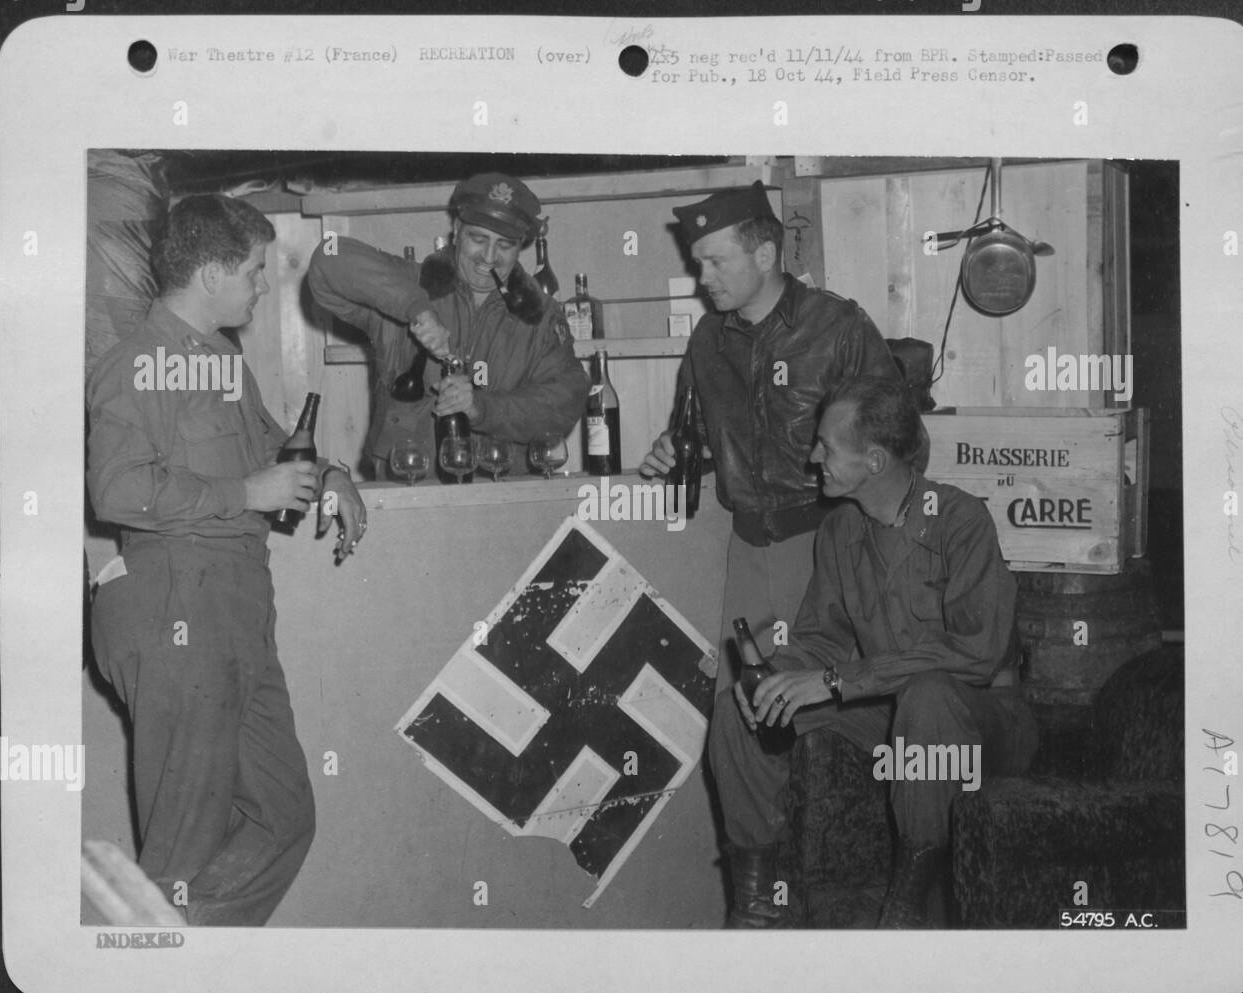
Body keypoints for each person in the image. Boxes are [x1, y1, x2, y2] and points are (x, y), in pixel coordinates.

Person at [86, 194, 367, 925]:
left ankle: (177, 953)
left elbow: (273, 445)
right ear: (209, 274)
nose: (264, 284)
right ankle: (148, 985)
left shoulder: (220, 359)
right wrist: (247, 490)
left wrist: (329, 473)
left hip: (237, 611)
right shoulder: (138, 364)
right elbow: (116, 489)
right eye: (252, 269)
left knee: (282, 816)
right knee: (181, 844)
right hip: (177, 607)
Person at [638, 180, 914, 921]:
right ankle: (759, 902)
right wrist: (675, 452)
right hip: (750, 549)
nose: (704, 278)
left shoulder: (838, 327)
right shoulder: (706, 342)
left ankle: (843, 885)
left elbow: (899, 443)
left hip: (829, 542)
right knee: (741, 716)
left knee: (818, 714)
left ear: (765, 252)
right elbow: (692, 438)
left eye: (715, 261)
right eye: (698, 263)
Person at [716, 375, 1037, 928]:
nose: (814, 455)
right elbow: (822, 638)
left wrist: (837, 682)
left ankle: (907, 908)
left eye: (827, 447)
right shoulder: (841, 530)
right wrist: (776, 675)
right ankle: (754, 904)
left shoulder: (961, 521)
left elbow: (976, 653)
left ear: (875, 460)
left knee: (929, 696)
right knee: (737, 712)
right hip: (886, 712)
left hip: (980, 723)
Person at [306, 172, 588, 479]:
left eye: (505, 245)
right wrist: (417, 309)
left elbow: (565, 402)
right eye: (478, 239)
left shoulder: (542, 316)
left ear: (521, 246)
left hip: (501, 492)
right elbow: (327, 256)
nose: (489, 257)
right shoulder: (411, 283)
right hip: (407, 490)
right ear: (456, 231)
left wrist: (483, 409)